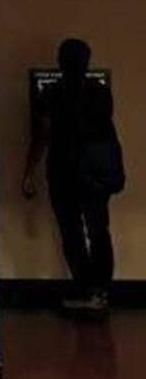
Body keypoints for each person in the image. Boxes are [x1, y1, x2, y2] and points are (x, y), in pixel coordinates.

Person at [22, 38, 124, 315]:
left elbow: (42, 135)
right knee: (99, 230)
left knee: (72, 233)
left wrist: (28, 172)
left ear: (60, 62)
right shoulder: (101, 93)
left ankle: (84, 288)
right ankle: (100, 292)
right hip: (95, 174)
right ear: (87, 62)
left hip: (63, 172)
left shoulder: (52, 94)